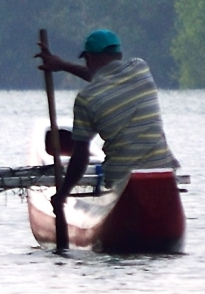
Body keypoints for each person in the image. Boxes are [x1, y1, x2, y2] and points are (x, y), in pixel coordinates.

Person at [35, 29, 178, 207]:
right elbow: (99, 76)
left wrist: (63, 194)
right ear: (119, 54)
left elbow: (80, 157)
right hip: (163, 171)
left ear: (90, 58)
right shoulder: (140, 69)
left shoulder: (86, 99)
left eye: (87, 59)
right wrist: (62, 65)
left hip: (122, 180)